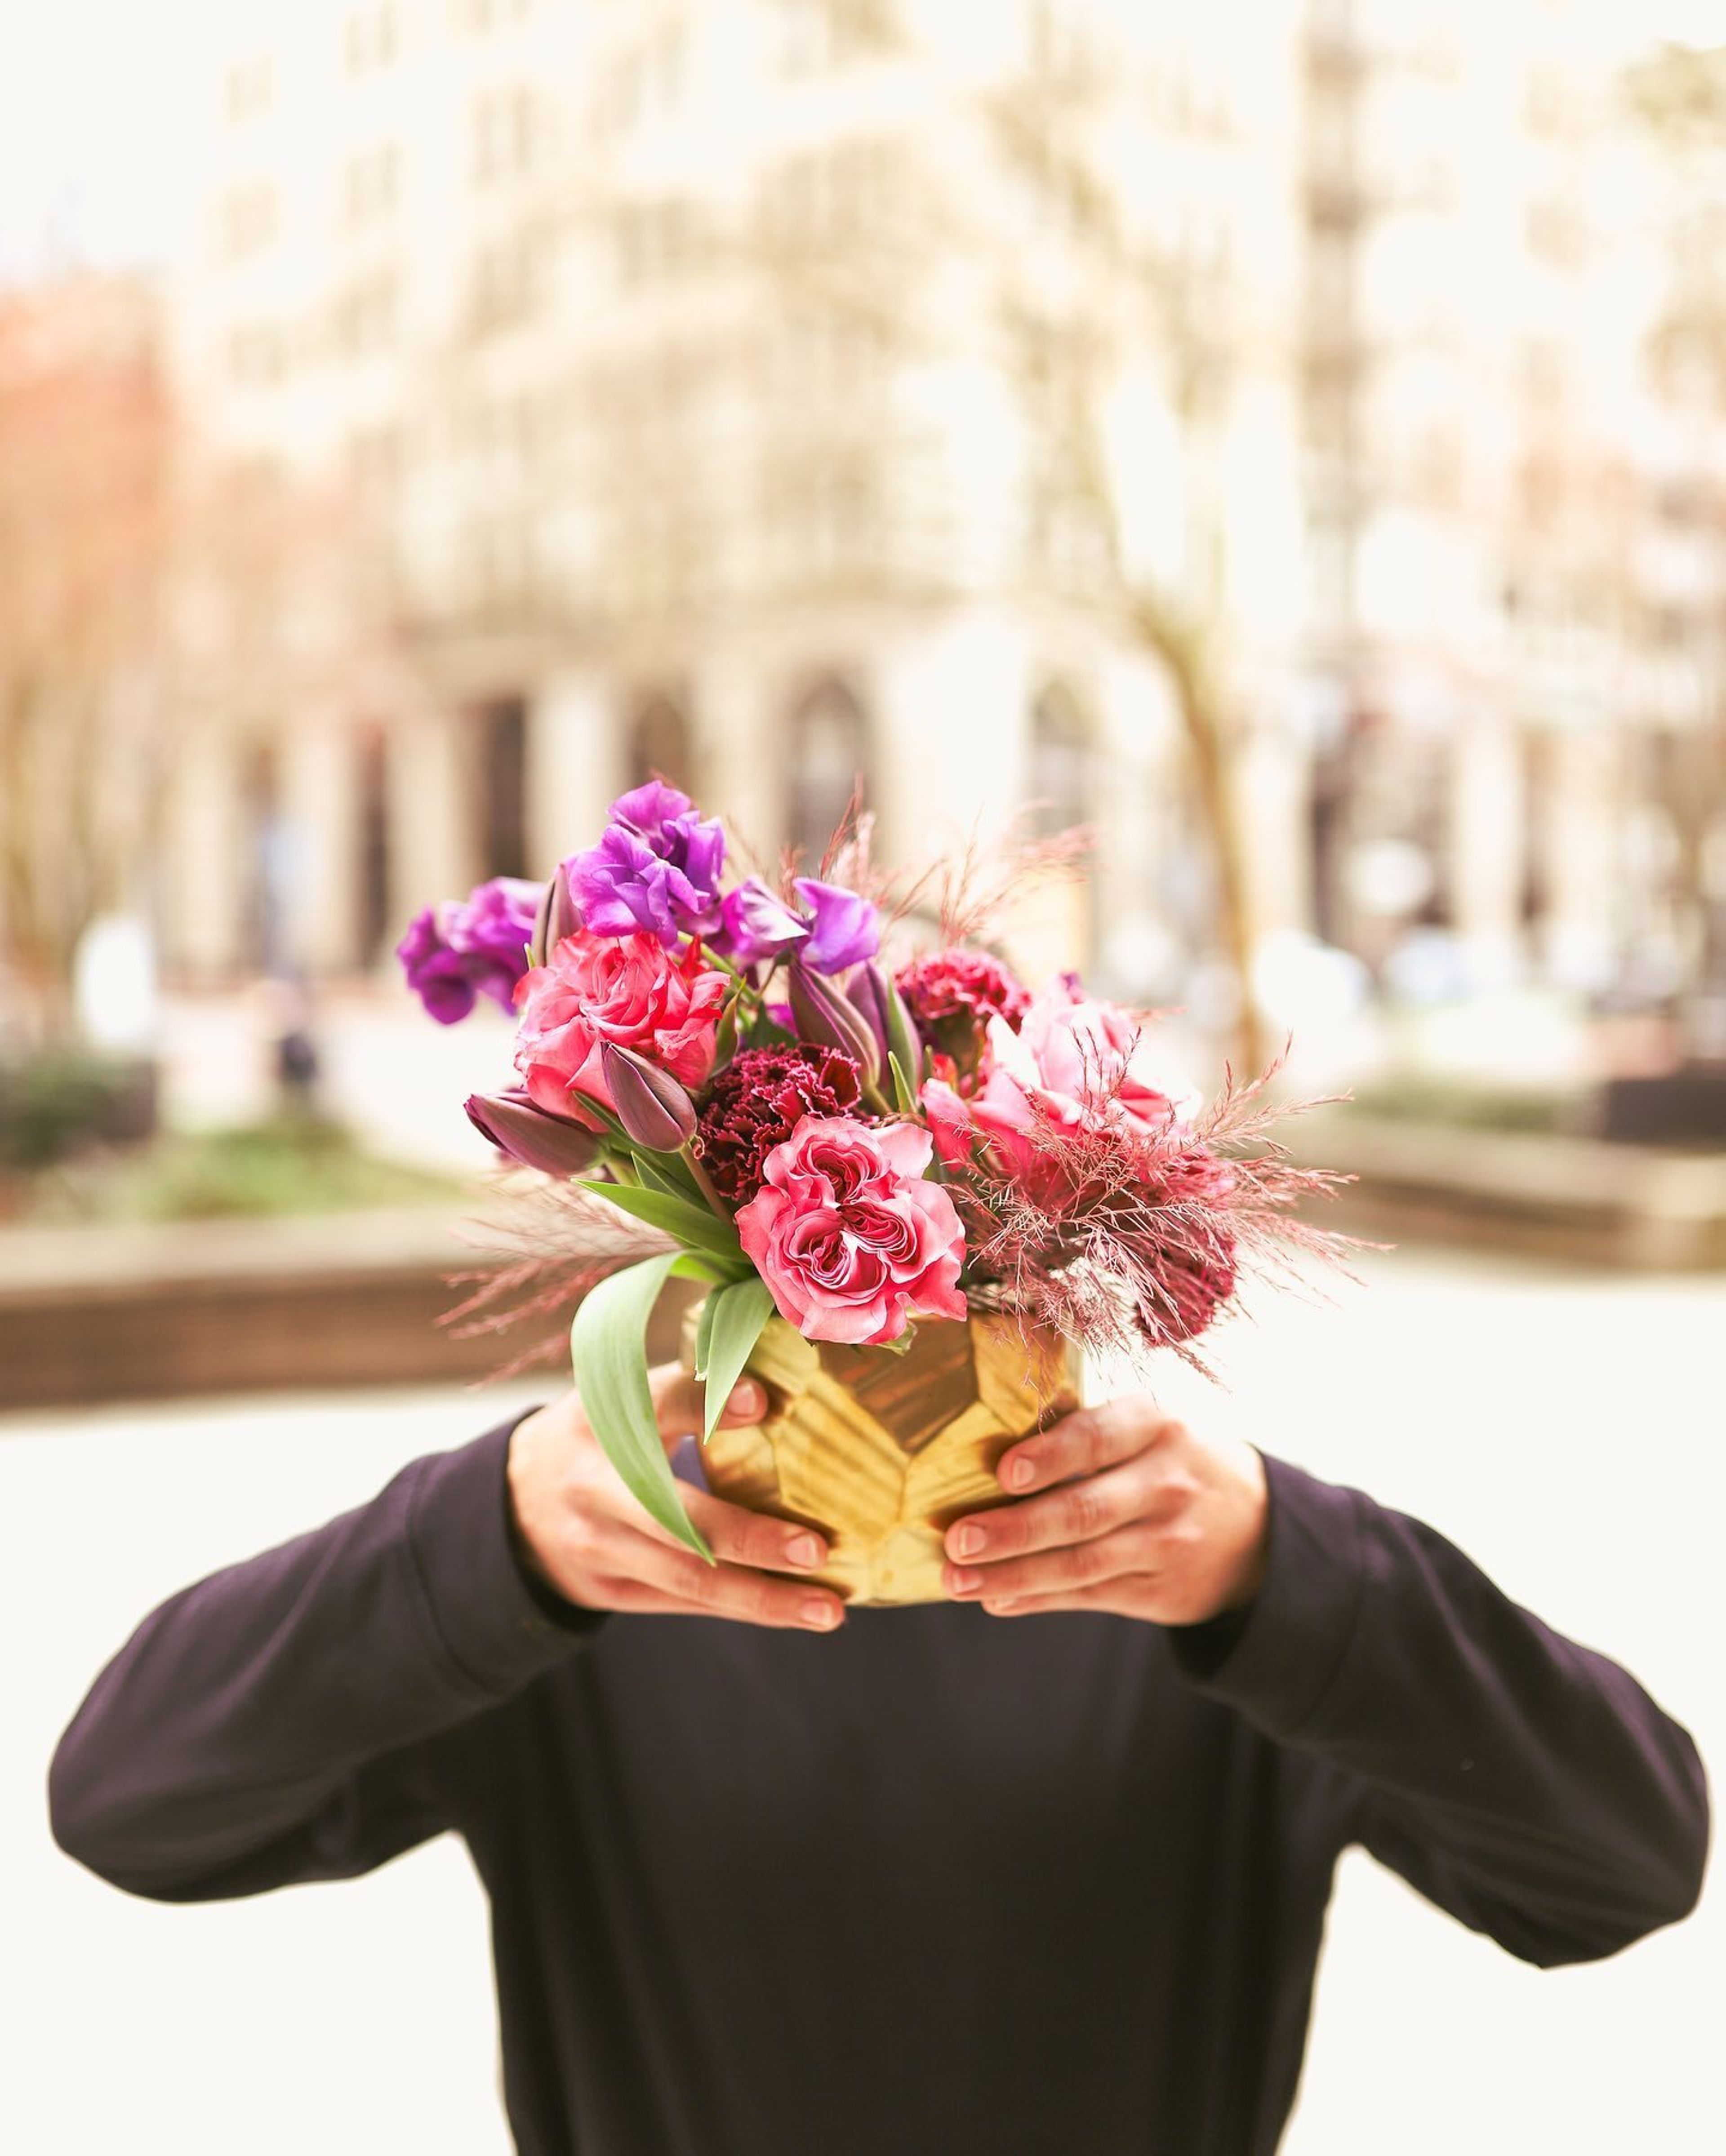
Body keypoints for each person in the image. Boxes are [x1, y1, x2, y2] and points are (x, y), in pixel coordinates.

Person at [50, 1372, 1708, 2156]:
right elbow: (135, 1801)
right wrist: (480, 1539)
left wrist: (1292, 1566)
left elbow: (1624, 1861)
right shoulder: (595, 1575)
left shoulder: (1207, 1579)